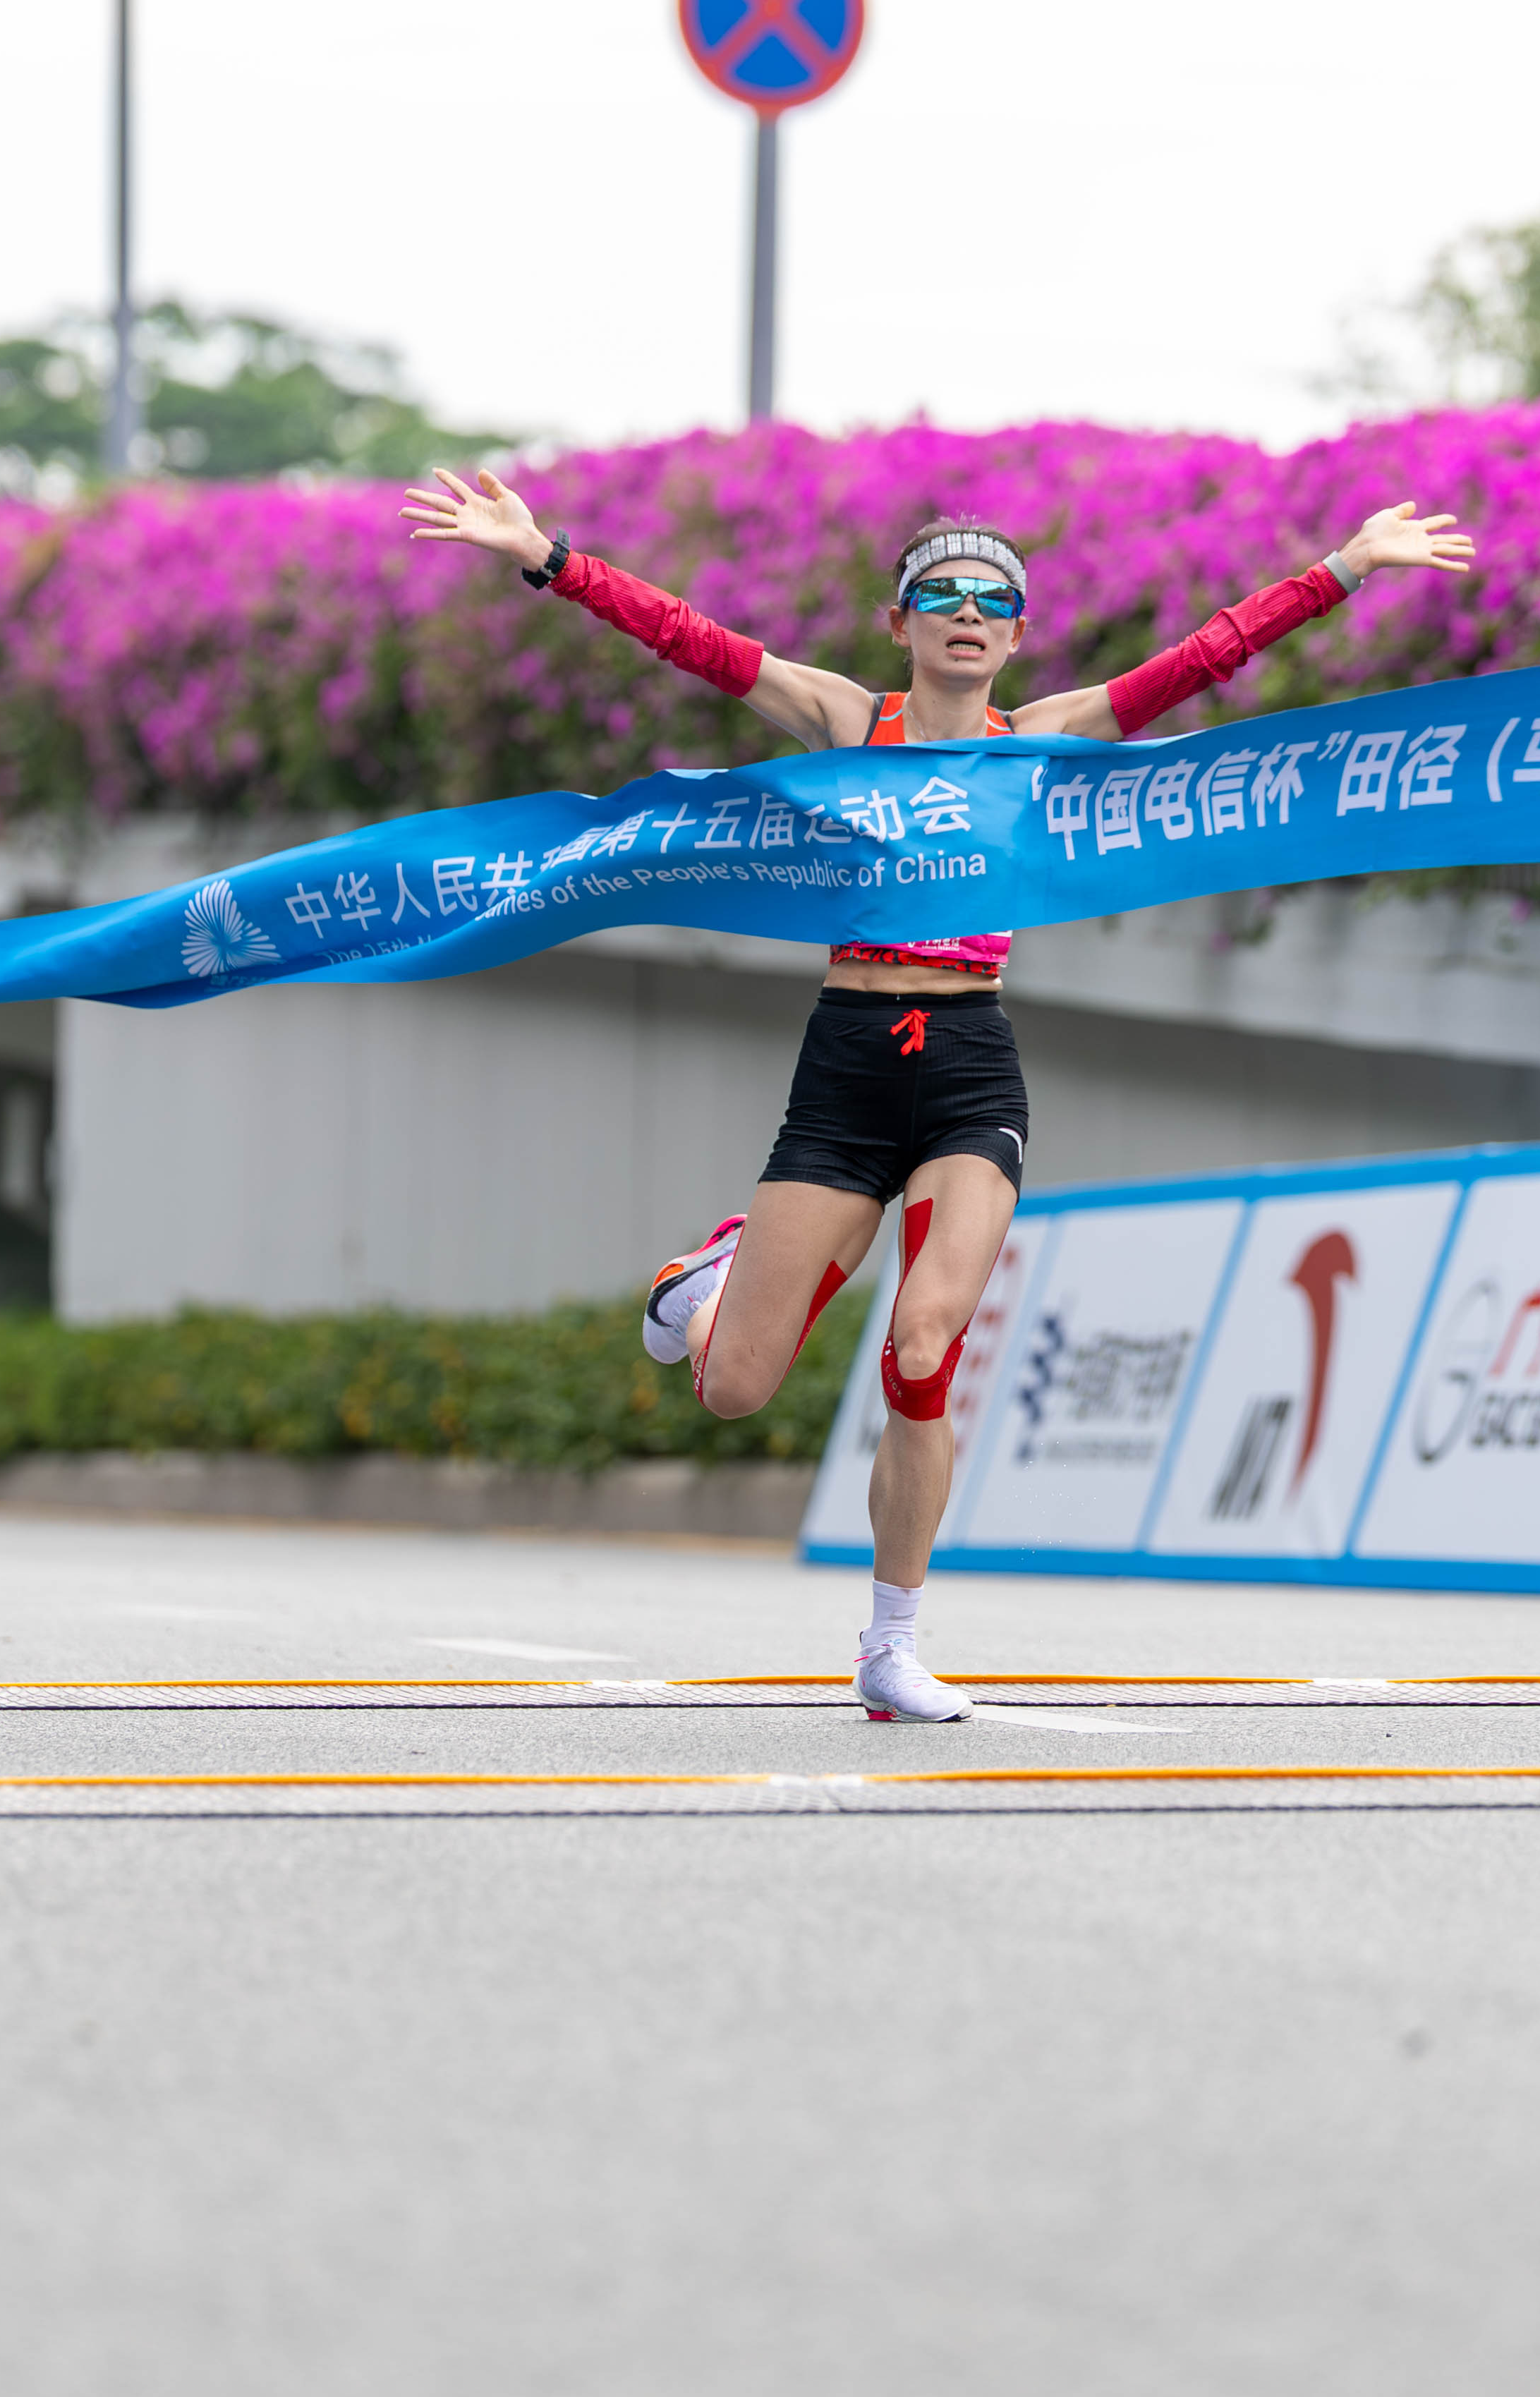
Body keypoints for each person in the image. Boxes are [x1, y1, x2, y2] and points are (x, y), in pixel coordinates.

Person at [405, 472, 1472, 1720]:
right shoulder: (850, 720)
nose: (968, 613)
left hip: (968, 1065)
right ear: (900, 621)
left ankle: (889, 1640)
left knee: (923, 1347)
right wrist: (547, 556)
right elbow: (689, 637)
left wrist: (1343, 564)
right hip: (846, 1063)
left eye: (993, 600)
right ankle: (694, 1286)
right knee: (737, 1384)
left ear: (1016, 634)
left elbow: (1204, 660)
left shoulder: (1046, 735)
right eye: (941, 594)